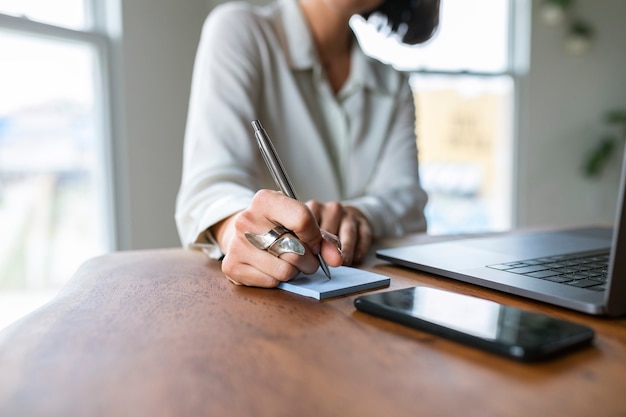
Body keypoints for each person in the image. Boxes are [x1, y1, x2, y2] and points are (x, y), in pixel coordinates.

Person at [175, 0, 440, 288]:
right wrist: (238, 229)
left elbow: (408, 205)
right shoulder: (240, 30)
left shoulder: (393, 85)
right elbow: (209, 188)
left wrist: (361, 215)